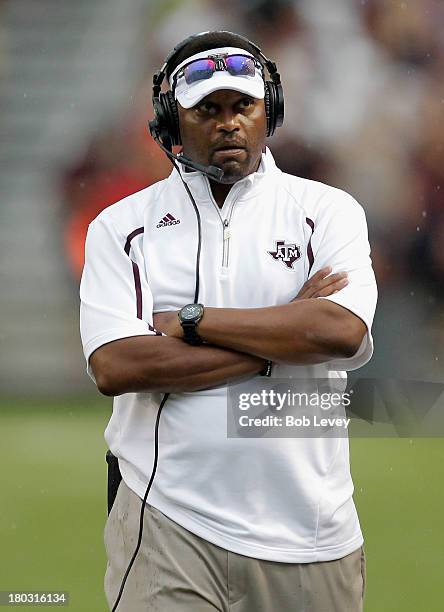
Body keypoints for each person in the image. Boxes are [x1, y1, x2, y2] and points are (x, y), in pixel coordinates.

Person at [80, 30, 377, 612]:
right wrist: (282, 336)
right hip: (168, 516)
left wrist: (193, 321)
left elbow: (340, 332)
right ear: (171, 121)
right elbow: (116, 365)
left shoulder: (328, 211)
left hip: (313, 530)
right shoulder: (121, 228)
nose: (229, 123)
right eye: (207, 109)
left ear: (271, 112)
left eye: (243, 105)